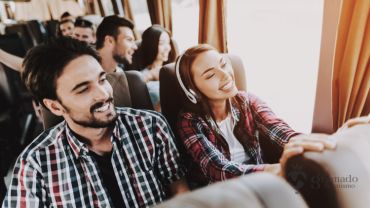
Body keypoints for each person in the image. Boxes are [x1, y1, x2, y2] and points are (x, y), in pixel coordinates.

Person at [2, 37, 188, 208]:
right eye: (83, 90)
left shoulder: (151, 126)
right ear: (55, 107)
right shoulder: (35, 164)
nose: (104, 94)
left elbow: (180, 191)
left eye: (102, 79)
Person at [175, 44, 336, 187]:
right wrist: (275, 170)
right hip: (220, 193)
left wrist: (304, 142)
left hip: (261, 182)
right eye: (210, 75)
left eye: (223, 64)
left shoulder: (247, 101)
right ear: (193, 91)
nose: (225, 75)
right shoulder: (189, 121)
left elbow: (278, 128)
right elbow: (217, 168)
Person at [137, 25, 172, 111]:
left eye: (168, 43)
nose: (167, 47)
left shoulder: (172, 69)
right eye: (161, 43)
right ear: (151, 45)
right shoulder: (142, 77)